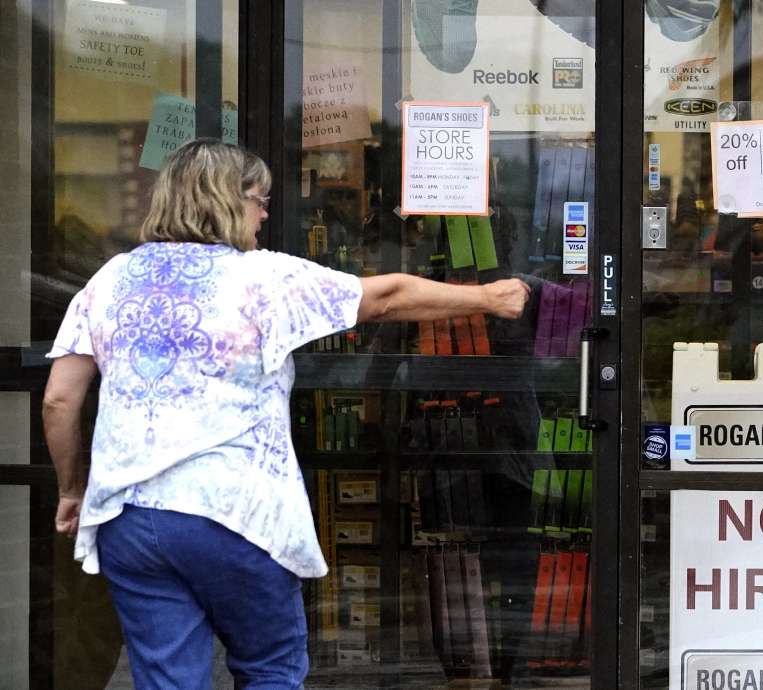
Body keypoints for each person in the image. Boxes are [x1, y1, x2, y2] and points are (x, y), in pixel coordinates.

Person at [41, 138, 529, 688]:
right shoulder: (261, 277)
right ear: (225, 200)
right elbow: (386, 297)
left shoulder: (109, 280)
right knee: (271, 668)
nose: (267, 212)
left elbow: (60, 399)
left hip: (130, 518)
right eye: (258, 197)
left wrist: (70, 489)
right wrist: (488, 299)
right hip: (234, 513)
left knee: (167, 678)